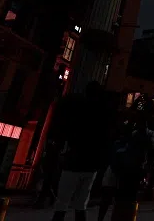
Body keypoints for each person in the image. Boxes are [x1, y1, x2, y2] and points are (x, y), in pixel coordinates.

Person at [51, 82, 115, 221]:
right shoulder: (103, 112)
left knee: (62, 202)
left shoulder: (77, 109)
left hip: (74, 163)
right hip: (91, 165)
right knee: (81, 204)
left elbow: (65, 130)